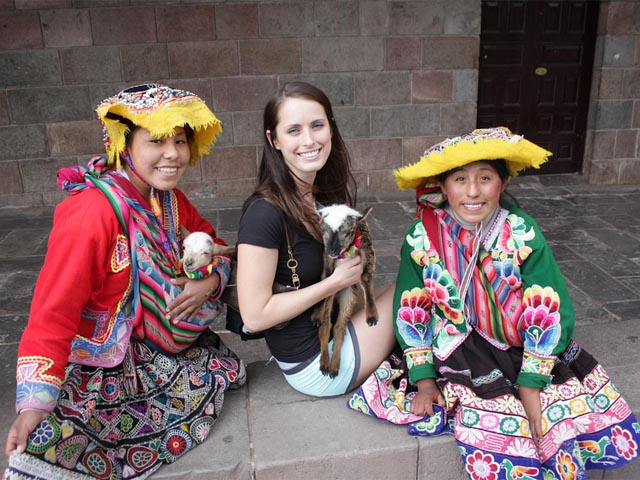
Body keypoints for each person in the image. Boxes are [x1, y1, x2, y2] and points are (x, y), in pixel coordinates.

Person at [350, 127, 640, 478]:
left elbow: (548, 307)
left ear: (501, 184)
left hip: (518, 341)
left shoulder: (521, 231)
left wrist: (531, 384)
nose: (472, 191)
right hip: (455, 344)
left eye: (485, 178)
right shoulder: (422, 236)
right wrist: (424, 380)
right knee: (499, 420)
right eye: (460, 179)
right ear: (443, 186)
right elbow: (412, 307)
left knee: (553, 416)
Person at [3, 84, 246, 480]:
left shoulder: (170, 200)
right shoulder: (91, 215)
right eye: (156, 141)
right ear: (124, 145)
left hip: (155, 348)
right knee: (50, 443)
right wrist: (33, 406)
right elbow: (53, 313)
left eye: (181, 141)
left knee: (212, 371)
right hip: (102, 363)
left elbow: (214, 244)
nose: (173, 154)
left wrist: (210, 282)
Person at [232, 81, 396, 397]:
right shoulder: (263, 213)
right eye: (293, 130)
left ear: (330, 129)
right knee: (412, 294)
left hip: (331, 327)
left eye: (317, 125)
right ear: (274, 139)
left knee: (403, 293)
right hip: (316, 365)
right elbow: (254, 315)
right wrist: (334, 282)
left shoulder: (317, 194)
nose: (309, 140)